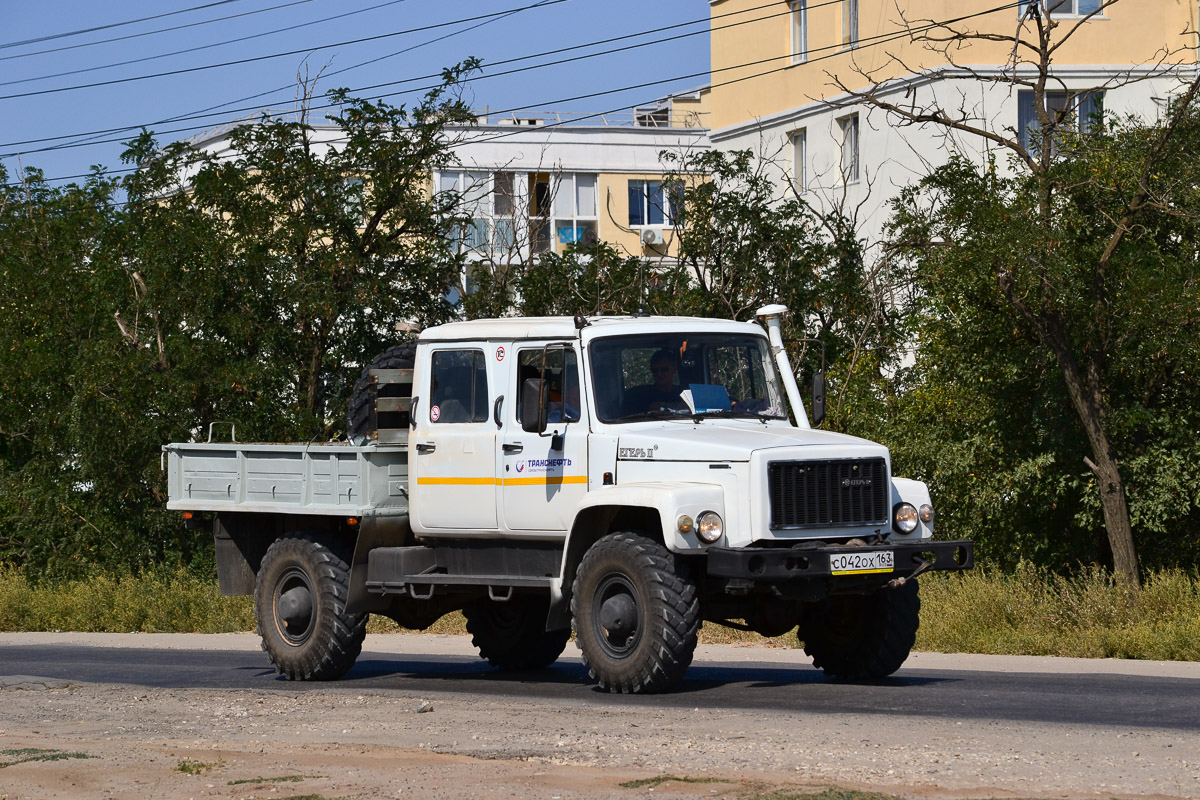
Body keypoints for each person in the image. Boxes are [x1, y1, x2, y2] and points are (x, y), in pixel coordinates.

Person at [622, 348, 684, 414]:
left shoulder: (683, 394)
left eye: (664, 369)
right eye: (654, 370)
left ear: (674, 369)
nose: (659, 374)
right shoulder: (640, 396)